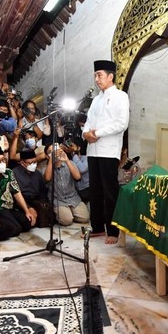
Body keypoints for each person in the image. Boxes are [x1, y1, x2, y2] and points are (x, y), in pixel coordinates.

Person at [82, 60, 130, 244]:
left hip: (108, 151)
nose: (96, 79)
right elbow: (87, 122)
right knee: (94, 190)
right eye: (95, 75)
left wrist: (97, 134)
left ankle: (113, 231)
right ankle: (96, 227)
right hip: (93, 150)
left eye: (99, 75)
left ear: (110, 76)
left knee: (110, 191)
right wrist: (85, 133)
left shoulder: (120, 96)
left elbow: (121, 123)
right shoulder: (96, 99)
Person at [0, 145, 36, 237]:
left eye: (3, 159)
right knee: (14, 229)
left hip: (9, 207)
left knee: (27, 223)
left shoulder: (8, 172)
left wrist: (27, 210)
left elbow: (16, 191)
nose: (1, 163)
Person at [43, 145, 89, 226]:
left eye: (57, 151)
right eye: (52, 152)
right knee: (66, 221)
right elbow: (47, 178)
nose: (56, 154)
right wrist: (51, 160)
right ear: (47, 156)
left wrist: (67, 160)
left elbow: (78, 177)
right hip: (58, 199)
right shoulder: (46, 168)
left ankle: (70, 211)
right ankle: (64, 213)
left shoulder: (70, 163)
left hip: (73, 197)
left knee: (85, 218)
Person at [12, 150, 54, 228]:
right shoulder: (14, 173)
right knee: (27, 222)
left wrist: (43, 205)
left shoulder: (37, 174)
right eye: (30, 163)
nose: (33, 165)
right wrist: (28, 208)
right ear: (22, 163)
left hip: (35, 200)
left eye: (34, 162)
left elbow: (42, 191)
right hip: (22, 202)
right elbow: (15, 196)